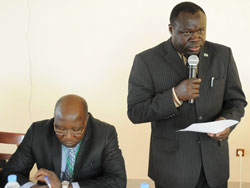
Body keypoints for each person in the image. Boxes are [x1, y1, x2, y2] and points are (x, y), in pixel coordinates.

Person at [127, 2, 247, 188]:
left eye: (201, 31)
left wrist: (226, 122)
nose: (196, 38)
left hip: (214, 168)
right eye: (187, 33)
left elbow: (237, 101)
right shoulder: (146, 60)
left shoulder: (223, 55)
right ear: (171, 29)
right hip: (172, 168)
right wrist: (174, 96)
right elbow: (135, 112)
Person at [2, 94, 126, 188]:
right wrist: (33, 187)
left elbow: (118, 180)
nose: (68, 136)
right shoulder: (37, 132)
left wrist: (66, 186)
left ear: (86, 120)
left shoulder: (105, 134)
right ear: (54, 119)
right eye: (60, 129)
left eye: (77, 130)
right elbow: (11, 173)